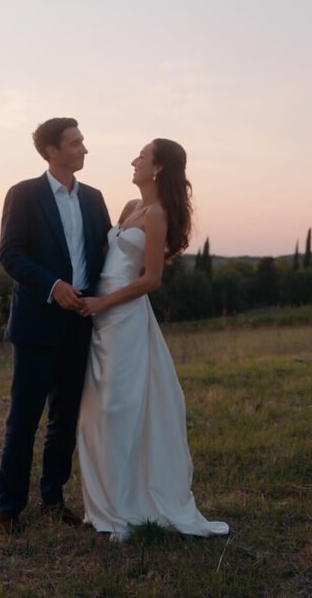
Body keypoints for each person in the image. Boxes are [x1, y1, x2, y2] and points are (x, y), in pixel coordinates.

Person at [77, 138, 229, 540]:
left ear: (158, 167)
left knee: (119, 411)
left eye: (141, 156)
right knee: (95, 413)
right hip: (99, 317)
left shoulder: (158, 215)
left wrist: (102, 302)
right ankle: (103, 504)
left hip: (123, 320)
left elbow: (151, 279)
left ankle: (127, 510)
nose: (134, 161)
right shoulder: (130, 208)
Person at [0, 117, 112, 534]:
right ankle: (9, 509)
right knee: (24, 419)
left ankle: (53, 498)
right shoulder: (23, 195)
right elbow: (10, 254)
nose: (84, 148)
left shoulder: (95, 199)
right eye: (76, 142)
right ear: (52, 151)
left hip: (81, 321)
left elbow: (105, 252)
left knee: (65, 419)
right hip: (36, 321)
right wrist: (53, 286)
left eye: (82, 141)